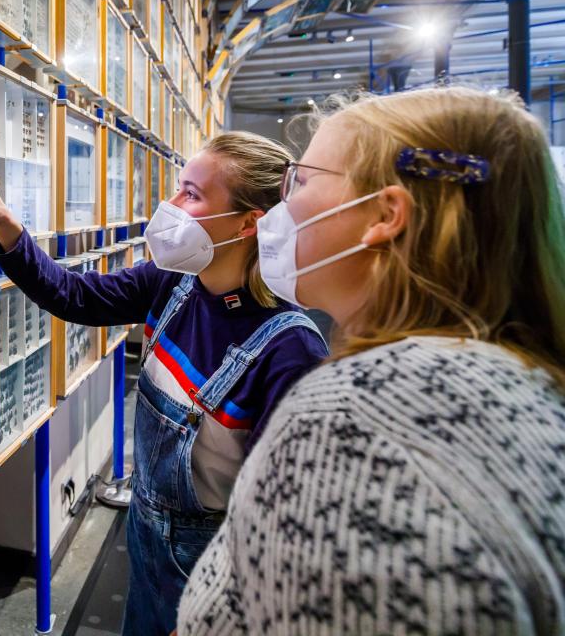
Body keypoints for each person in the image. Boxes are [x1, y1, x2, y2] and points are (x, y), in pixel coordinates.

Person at [178, 87, 565, 634]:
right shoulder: (511, 384)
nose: (280, 210)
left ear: (385, 215)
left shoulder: (354, 424)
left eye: (304, 181)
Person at [0, 132, 329, 634]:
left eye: (191, 194)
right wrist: (10, 232)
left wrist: (227, 615)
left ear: (248, 224)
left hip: (210, 570)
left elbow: (282, 522)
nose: (170, 206)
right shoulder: (173, 283)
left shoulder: (290, 350)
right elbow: (76, 297)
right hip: (146, 539)